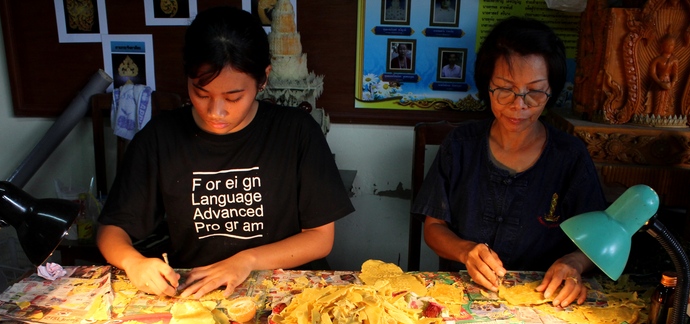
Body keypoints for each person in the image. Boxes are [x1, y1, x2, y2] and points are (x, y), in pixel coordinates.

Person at [97, 6, 354, 299]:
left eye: (234, 97)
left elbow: (320, 238)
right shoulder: (160, 137)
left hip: (285, 293)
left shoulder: (296, 132)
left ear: (263, 79)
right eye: (201, 93)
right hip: (198, 294)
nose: (215, 112)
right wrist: (134, 262)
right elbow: (111, 230)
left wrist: (246, 261)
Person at [412, 17, 606, 308]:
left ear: (551, 90)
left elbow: (598, 241)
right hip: (463, 295)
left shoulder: (570, 156)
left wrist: (574, 263)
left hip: (546, 299)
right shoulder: (460, 145)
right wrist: (465, 251)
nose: (519, 105)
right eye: (505, 89)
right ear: (486, 85)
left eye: (535, 91)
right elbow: (434, 227)